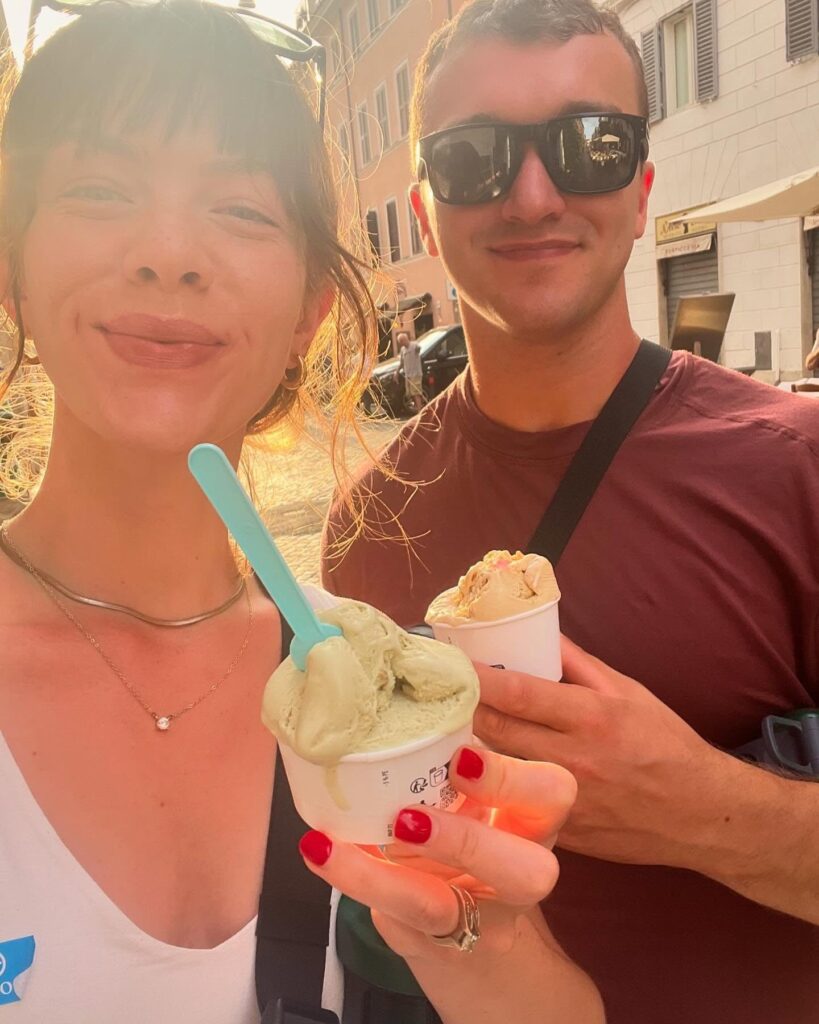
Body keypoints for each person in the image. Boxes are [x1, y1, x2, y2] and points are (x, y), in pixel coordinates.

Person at [0, 2, 606, 1022]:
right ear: (11, 269)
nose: (169, 252)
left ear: (310, 308)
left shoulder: (379, 692)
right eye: (100, 190)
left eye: (239, 210)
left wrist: (479, 939)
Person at [321, 1, 819, 1022]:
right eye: (474, 159)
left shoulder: (796, 470)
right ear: (426, 212)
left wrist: (700, 810)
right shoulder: (368, 530)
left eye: (589, 146)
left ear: (640, 191)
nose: (532, 192)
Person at [397, 329, 425, 412]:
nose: (402, 343)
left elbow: (418, 349)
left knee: (415, 392)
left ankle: (419, 411)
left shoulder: (414, 345)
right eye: (400, 342)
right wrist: (396, 372)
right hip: (408, 375)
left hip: (416, 374)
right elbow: (401, 362)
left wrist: (418, 348)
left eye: (402, 340)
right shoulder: (402, 350)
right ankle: (419, 407)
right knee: (409, 393)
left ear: (406, 339)